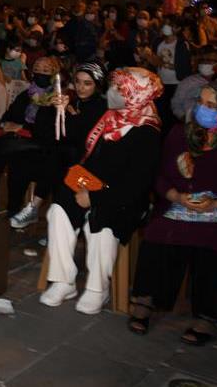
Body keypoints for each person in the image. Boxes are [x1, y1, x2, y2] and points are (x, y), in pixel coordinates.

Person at [129, 79, 217, 345]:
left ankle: (206, 316)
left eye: (211, 105)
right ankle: (146, 299)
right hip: (178, 203)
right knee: (159, 232)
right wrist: (176, 196)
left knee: (210, 241)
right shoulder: (179, 133)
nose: (203, 109)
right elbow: (161, 175)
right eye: (201, 102)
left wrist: (215, 204)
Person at [41, 68, 163, 315]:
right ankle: (64, 280)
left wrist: (95, 197)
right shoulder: (109, 117)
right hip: (90, 184)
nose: (112, 92)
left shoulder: (147, 131)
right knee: (58, 210)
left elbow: (136, 185)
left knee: (100, 223)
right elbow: (73, 137)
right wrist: (63, 110)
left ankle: (98, 288)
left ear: (134, 94)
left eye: (120, 88)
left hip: (123, 198)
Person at [0, 56, 61, 227]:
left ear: (54, 75)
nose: (40, 73)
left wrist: (22, 128)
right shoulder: (26, 94)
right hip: (17, 140)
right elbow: (8, 116)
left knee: (20, 160)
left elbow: (51, 131)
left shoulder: (57, 99)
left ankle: (14, 210)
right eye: (37, 69)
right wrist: (5, 124)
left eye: (46, 71)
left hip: (41, 146)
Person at [170, 49, 217, 121]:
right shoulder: (188, 82)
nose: (206, 63)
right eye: (203, 60)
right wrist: (185, 119)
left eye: (210, 60)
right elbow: (176, 104)